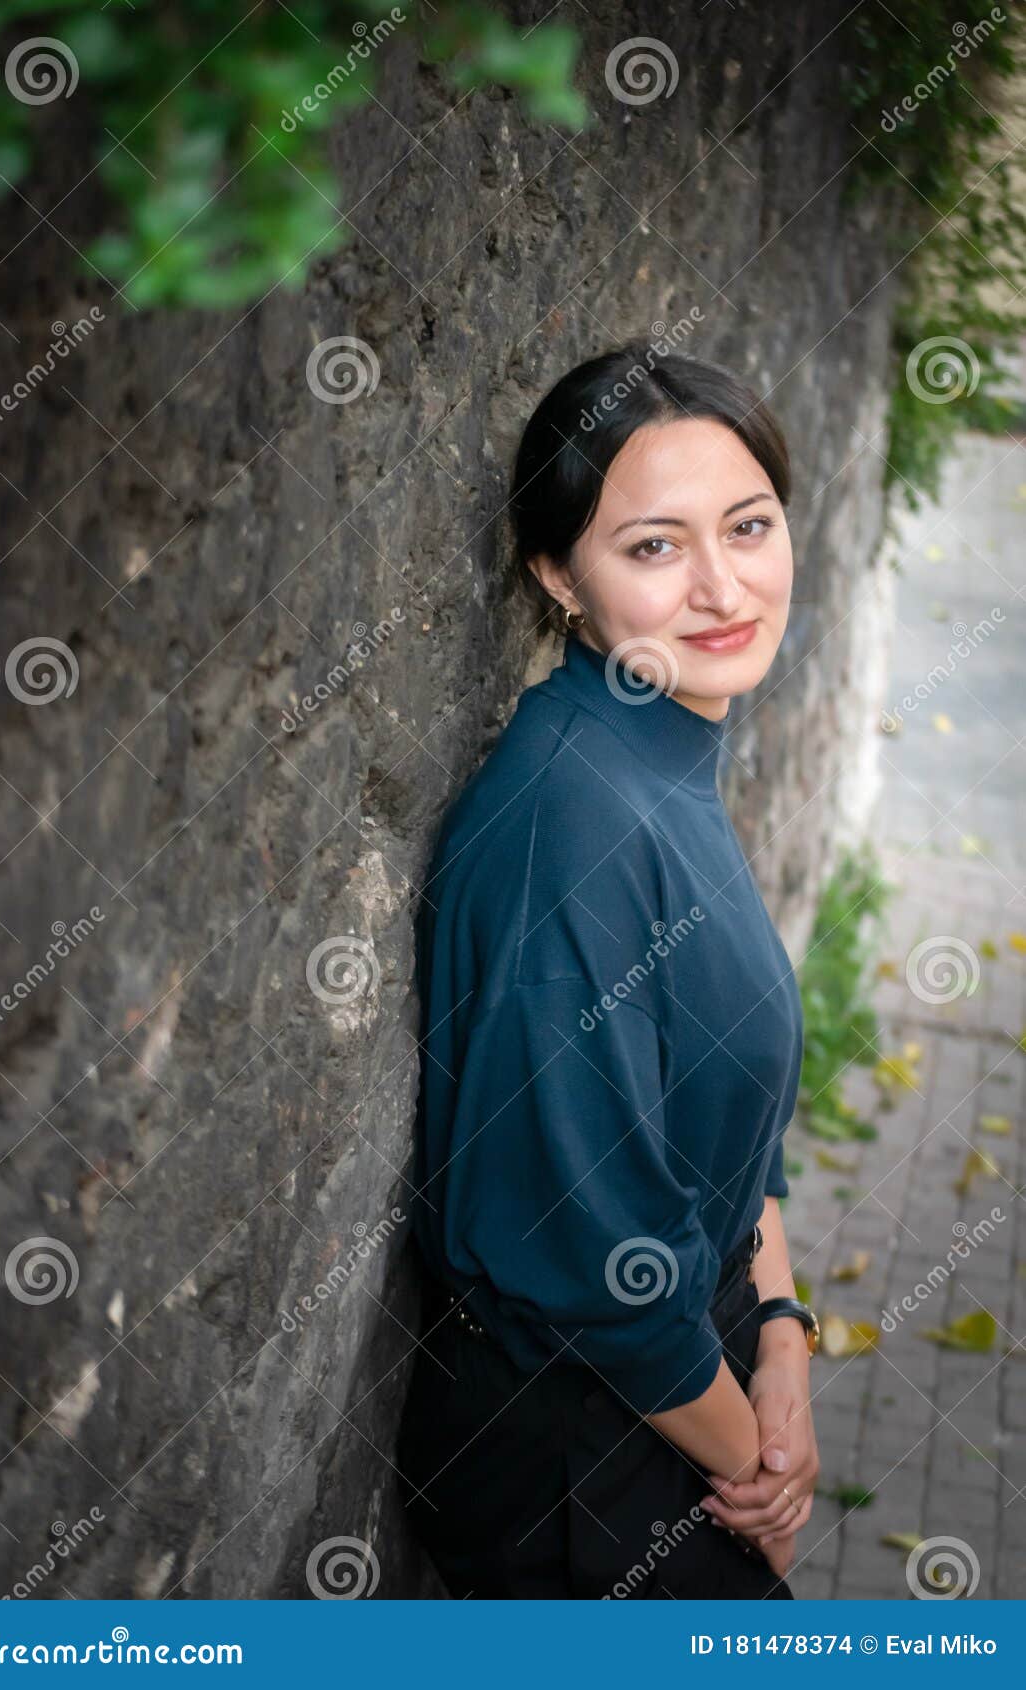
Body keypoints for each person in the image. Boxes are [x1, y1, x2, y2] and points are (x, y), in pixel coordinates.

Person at [395, 343, 820, 1599]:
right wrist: (765, 1488)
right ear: (555, 575)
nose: (720, 584)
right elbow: (590, 1256)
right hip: (586, 1460)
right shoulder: (571, 828)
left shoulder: (658, 738)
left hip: (697, 1360)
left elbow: (718, 1104)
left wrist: (784, 1337)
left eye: (747, 526)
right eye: (651, 547)